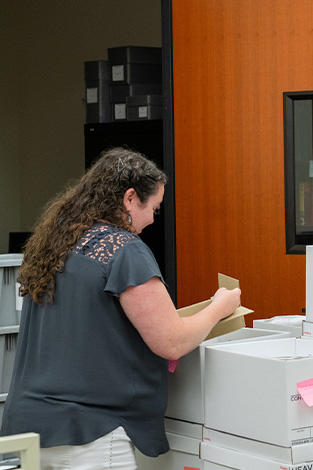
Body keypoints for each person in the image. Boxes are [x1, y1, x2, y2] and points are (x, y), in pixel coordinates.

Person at [0, 148, 242, 469]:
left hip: (31, 430)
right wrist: (219, 307)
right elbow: (171, 342)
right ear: (129, 199)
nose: (153, 219)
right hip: (90, 435)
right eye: (153, 207)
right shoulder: (124, 250)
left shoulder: (54, 244)